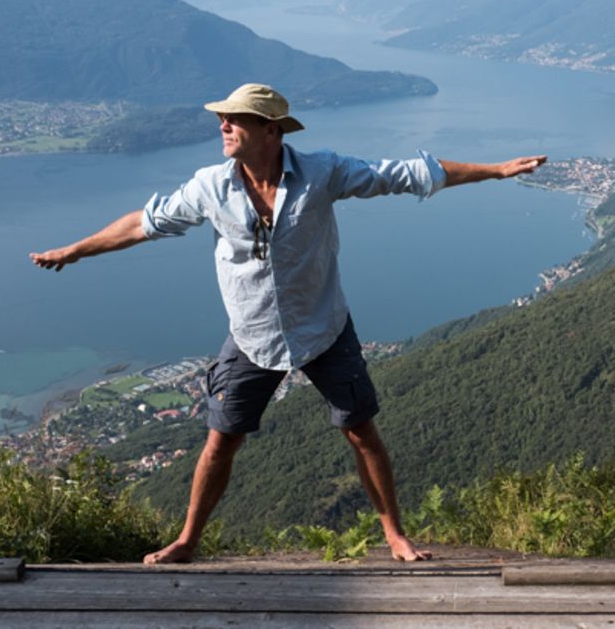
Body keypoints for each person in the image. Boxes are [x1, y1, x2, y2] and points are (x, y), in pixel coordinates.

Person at [29, 83, 546, 564]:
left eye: (236, 120)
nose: (224, 127)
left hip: (323, 327)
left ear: (272, 130)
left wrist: (496, 170)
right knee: (220, 440)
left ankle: (394, 535)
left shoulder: (322, 173)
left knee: (361, 431)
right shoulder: (210, 186)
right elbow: (145, 222)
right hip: (252, 337)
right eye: (223, 119)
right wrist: (76, 251)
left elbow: (408, 174)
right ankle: (188, 540)